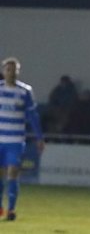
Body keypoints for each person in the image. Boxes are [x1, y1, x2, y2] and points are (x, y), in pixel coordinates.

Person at [0, 57, 46, 221]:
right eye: (9, 69)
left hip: (15, 140)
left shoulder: (25, 91)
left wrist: (39, 137)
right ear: (4, 71)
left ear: (18, 72)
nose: (12, 72)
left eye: (15, 69)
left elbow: (33, 116)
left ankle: (11, 209)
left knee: (13, 172)